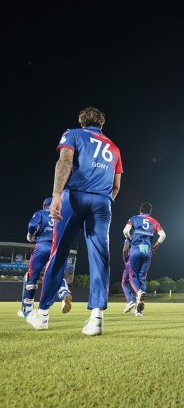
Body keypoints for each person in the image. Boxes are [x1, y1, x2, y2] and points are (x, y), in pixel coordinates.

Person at [26, 107, 123, 336]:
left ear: (82, 122)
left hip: (75, 196)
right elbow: (116, 186)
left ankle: (43, 314)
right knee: (100, 256)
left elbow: (65, 161)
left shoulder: (73, 134)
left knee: (58, 252)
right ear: (101, 124)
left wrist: (56, 195)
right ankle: (96, 318)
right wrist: (103, 200)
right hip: (103, 201)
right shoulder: (114, 147)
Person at [18, 197, 72, 318]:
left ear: (44, 206)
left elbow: (32, 225)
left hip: (43, 246)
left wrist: (30, 235)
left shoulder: (41, 213)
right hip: (58, 248)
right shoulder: (62, 215)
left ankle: (28, 308)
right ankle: (64, 292)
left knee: (31, 277)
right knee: (56, 274)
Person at [123, 202, 166, 316]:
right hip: (147, 250)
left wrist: (130, 239)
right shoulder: (154, 221)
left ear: (140, 210)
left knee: (132, 276)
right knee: (142, 277)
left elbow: (125, 231)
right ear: (150, 212)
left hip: (136, 249)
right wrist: (155, 246)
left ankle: (139, 292)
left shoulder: (134, 218)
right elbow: (163, 235)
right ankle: (139, 311)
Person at [121, 238, 136, 314]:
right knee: (138, 283)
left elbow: (125, 250)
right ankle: (138, 307)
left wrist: (125, 260)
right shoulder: (144, 236)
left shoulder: (130, 237)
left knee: (124, 283)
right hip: (141, 261)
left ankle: (130, 301)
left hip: (131, 261)